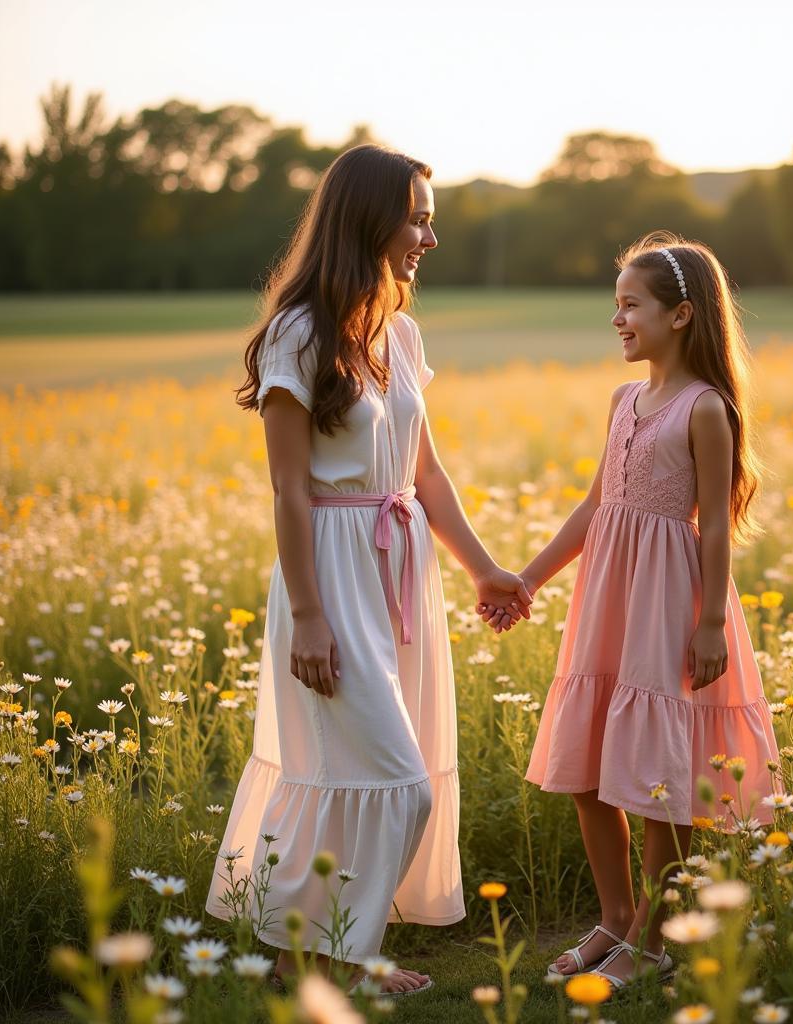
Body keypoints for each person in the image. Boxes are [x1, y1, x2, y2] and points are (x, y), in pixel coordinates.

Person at [207, 144, 531, 996]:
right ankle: (333, 953)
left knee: (383, 766)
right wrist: (308, 616)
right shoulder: (298, 334)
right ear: (369, 219)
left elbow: (425, 476)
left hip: (401, 568)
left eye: (431, 218)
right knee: (392, 778)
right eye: (418, 216)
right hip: (328, 571)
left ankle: (307, 957)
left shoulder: (402, 331)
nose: (430, 235)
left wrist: (485, 570)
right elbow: (286, 487)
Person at [482, 231, 781, 991]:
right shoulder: (624, 400)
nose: (617, 319)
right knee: (587, 768)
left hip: (669, 603)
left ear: (680, 316)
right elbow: (598, 506)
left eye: (630, 305)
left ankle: (651, 935)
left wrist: (710, 621)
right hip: (607, 595)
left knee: (656, 773)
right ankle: (615, 916)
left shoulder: (704, 408)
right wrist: (530, 579)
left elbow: (714, 522)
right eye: (614, 305)